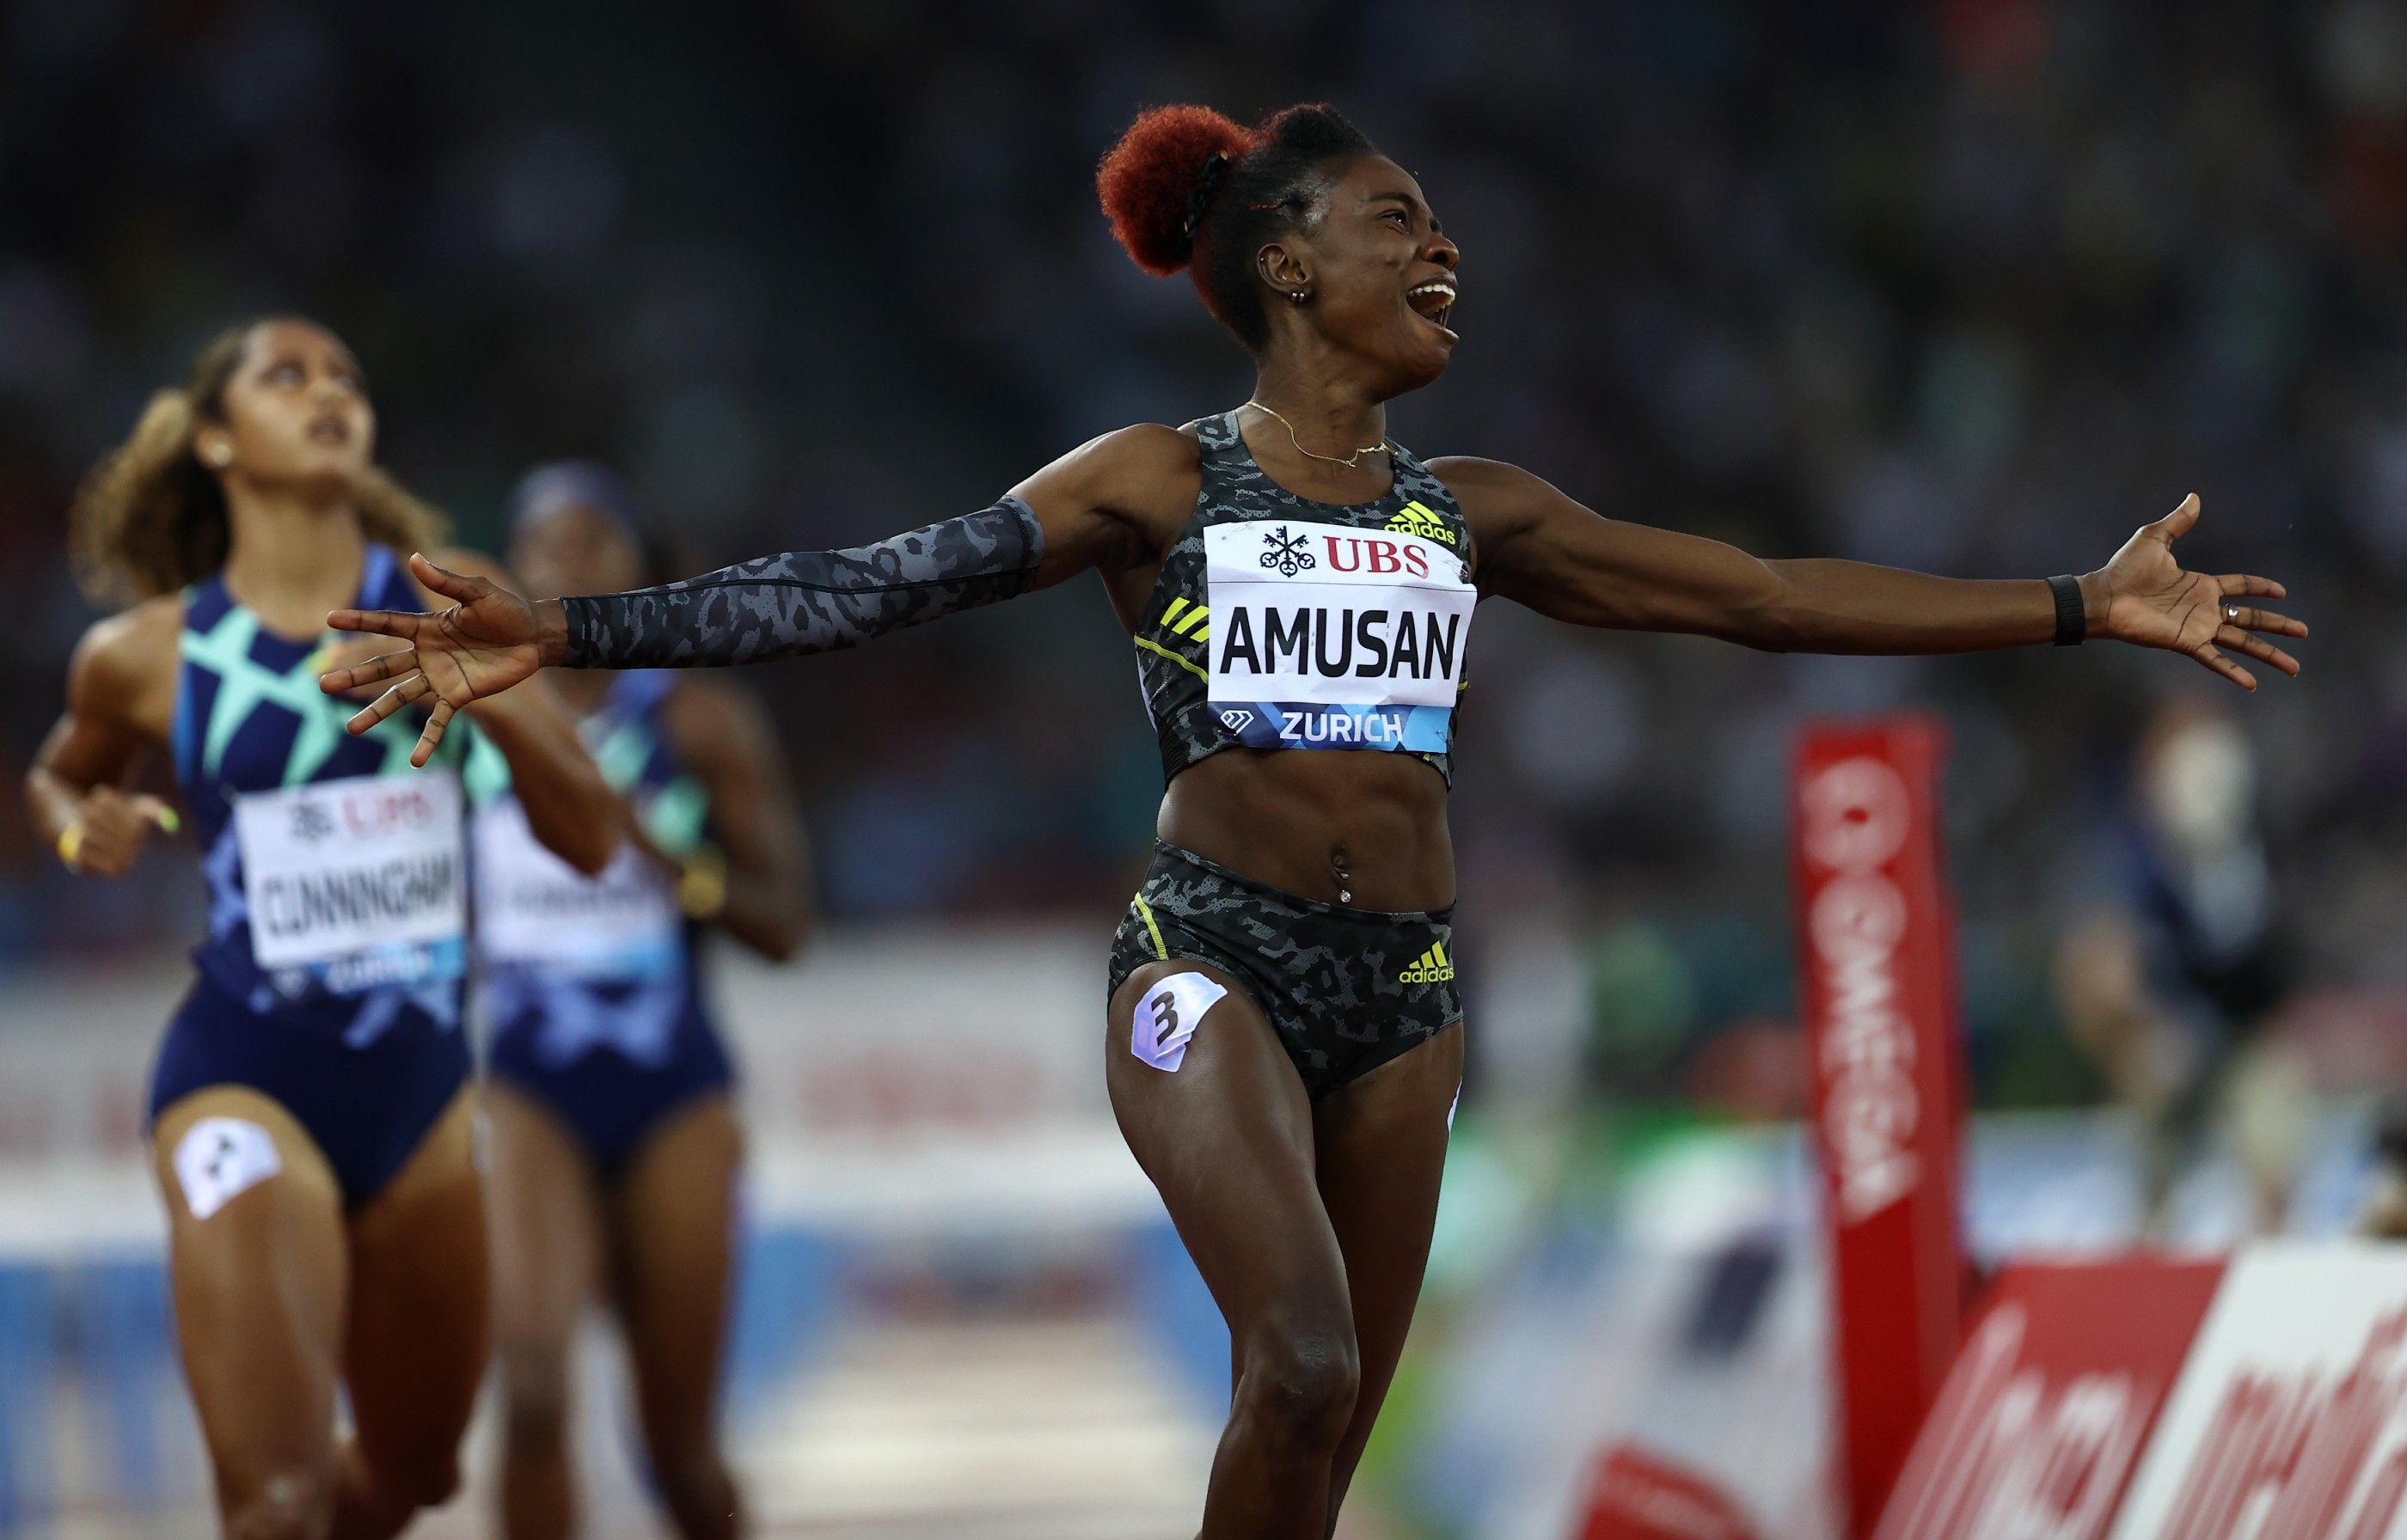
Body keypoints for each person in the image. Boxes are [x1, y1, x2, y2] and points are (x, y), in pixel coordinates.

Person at [316, 104, 2307, 1538]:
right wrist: (574, 628)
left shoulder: (1478, 511)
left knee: (1321, 1459)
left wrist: (2079, 600)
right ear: (1289, 260)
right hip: (1211, 965)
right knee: (1305, 1360)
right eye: (1401, 221)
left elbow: (1768, 594)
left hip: (1411, 995)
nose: (1446, 255)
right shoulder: (1155, 486)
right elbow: (878, 578)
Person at [25, 319, 619, 1540]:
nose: (329, 392)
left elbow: (594, 837)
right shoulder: (142, 655)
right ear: (214, 438)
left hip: (424, 1102)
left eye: (348, 375)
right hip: (245, 1077)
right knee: (274, 1503)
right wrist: (82, 827)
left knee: (413, 1479)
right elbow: (55, 781)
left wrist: (491, 700)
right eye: (286, 378)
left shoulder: (447, 593)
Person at [471, 464, 812, 1540]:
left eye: (592, 543)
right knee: (529, 1393)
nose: (566, 563)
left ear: (640, 570)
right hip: (530, 1087)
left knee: (677, 1451)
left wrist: (675, 861)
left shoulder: (700, 720)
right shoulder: (478, 714)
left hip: (673, 1090)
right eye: (543, 545)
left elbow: (786, 927)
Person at [2055, 698, 2307, 1238]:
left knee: (2275, 1141)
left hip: (2245, 1033)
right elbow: (2101, 964)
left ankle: (2267, 1265)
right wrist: (2149, 1025)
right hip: (2169, 1033)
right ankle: (2149, 1254)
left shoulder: (2263, 840)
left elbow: (2278, 951)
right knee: (2157, 1151)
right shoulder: (2134, 858)